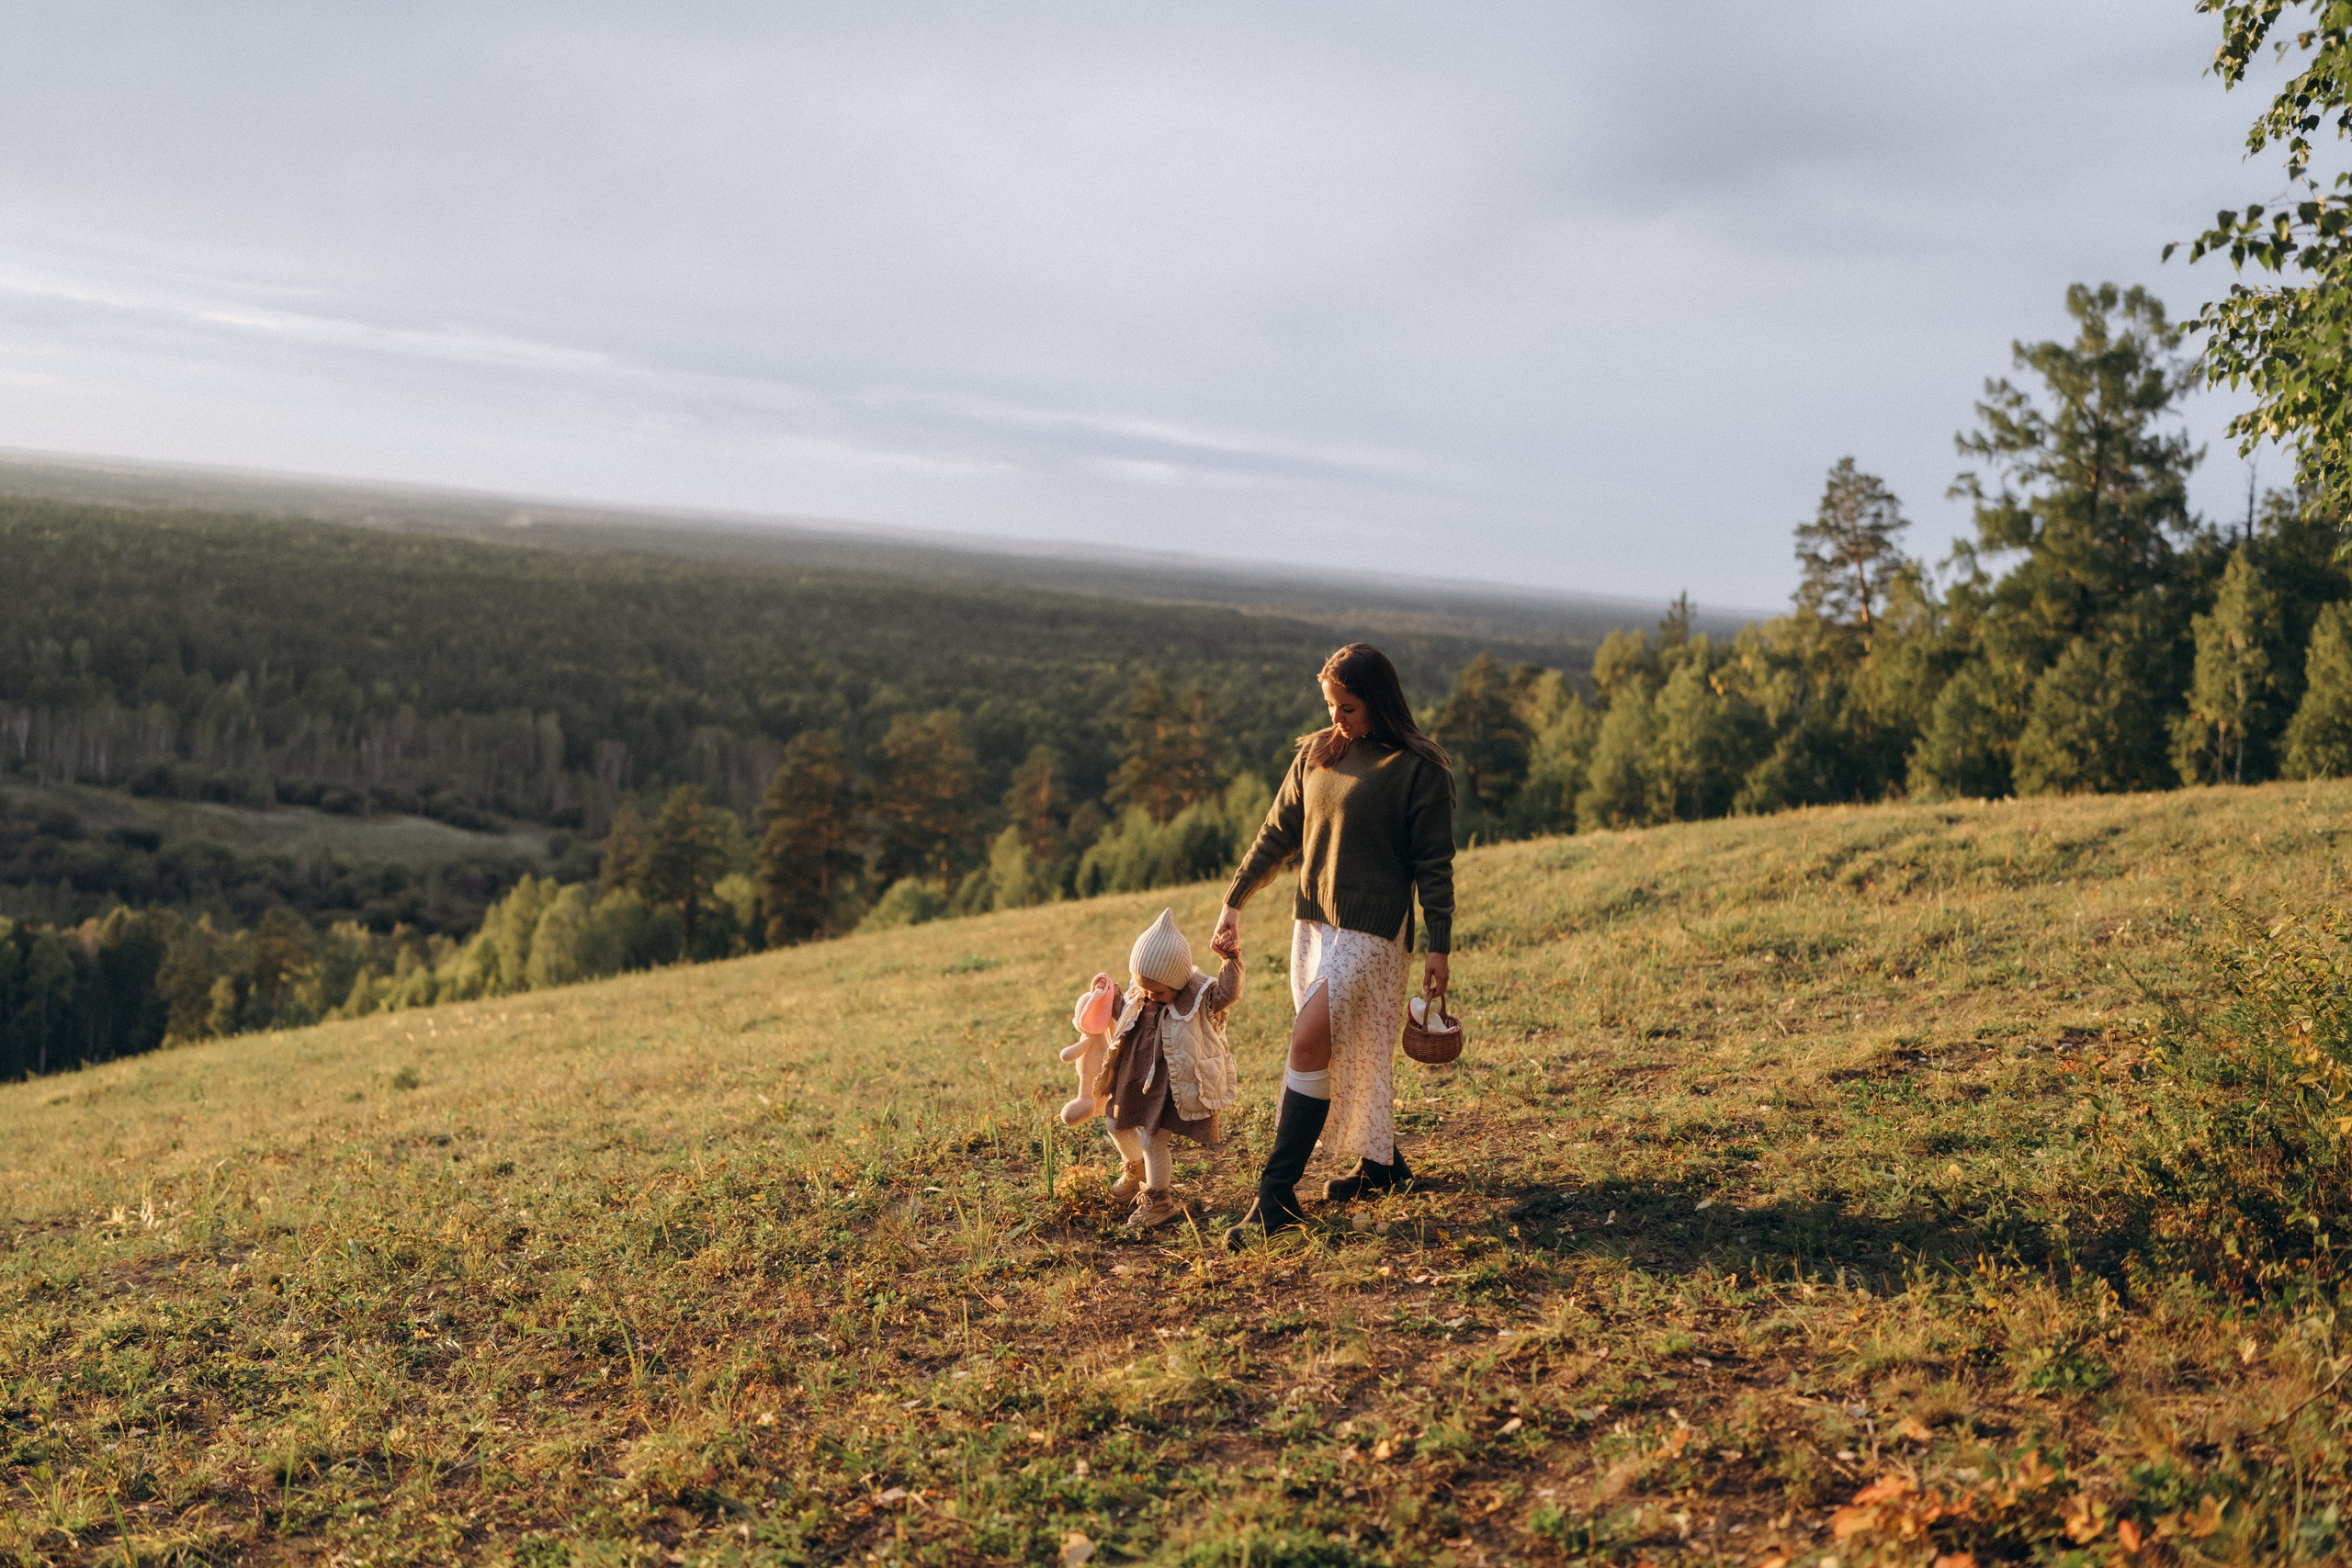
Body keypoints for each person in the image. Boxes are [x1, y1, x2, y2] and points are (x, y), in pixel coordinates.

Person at [1216, 643, 1455, 1245]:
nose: (1336, 718)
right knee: (1350, 1048)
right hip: (1314, 925)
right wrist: (1233, 902)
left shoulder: (1417, 768)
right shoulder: (1317, 756)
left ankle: (1275, 1198)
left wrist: (1438, 946)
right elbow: (1277, 833)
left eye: (1346, 707)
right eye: (1329, 705)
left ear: (1377, 701)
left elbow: (1435, 864)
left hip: (1374, 930)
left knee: (1309, 1039)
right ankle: (1381, 1166)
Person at [1068, 908, 1243, 1229]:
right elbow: (1123, 1014)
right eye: (1143, 987)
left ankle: (1158, 1198)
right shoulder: (1143, 993)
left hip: (1169, 1087)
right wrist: (1108, 995)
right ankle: (1136, 1169)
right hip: (1134, 1080)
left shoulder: (1198, 1000)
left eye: (1157, 992)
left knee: (1152, 1140)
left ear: (1177, 982)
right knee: (1115, 1125)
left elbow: (1227, 993)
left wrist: (1230, 961)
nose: (1149, 996)